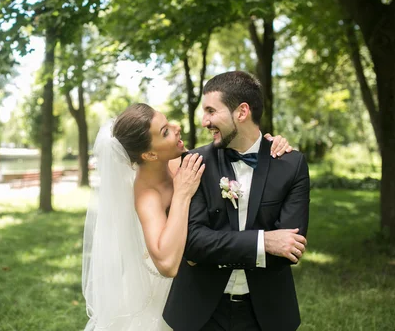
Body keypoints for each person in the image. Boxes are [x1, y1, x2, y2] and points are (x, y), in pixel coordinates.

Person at [82, 98, 294, 330]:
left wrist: (267, 145)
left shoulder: (182, 162)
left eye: (169, 123)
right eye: (165, 132)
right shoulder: (147, 196)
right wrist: (181, 194)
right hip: (163, 296)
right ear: (150, 155)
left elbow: (231, 150)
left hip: (202, 282)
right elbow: (168, 265)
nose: (176, 128)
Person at [163, 71, 310, 331]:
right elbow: (194, 243)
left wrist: (217, 245)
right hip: (199, 311)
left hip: (266, 312)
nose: (204, 121)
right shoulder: (195, 164)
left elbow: (289, 249)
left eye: (211, 110)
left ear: (241, 112)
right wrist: (264, 242)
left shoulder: (291, 165)